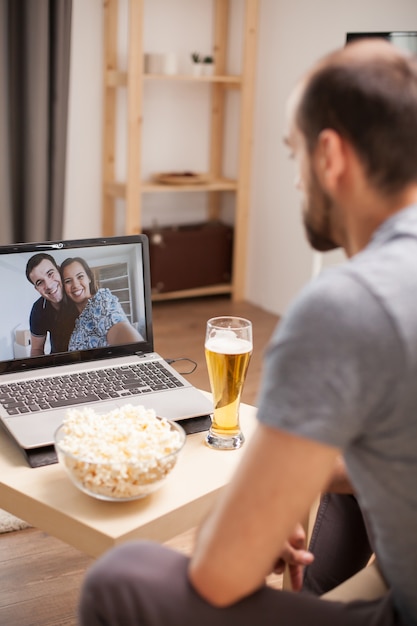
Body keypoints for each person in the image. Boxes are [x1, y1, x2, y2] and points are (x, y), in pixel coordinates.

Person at [78, 39, 417, 626]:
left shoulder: (348, 304)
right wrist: (275, 493)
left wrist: (240, 522)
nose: (295, 181)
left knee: (120, 577)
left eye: (294, 155)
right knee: (346, 446)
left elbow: (219, 574)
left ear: (329, 156)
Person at [60, 257, 142, 350]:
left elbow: (119, 330)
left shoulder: (101, 300)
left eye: (80, 276)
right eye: (68, 281)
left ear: (89, 278)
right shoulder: (73, 320)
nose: (75, 285)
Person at [25, 253, 78, 355]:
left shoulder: (78, 294)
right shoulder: (38, 309)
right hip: (58, 361)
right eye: (40, 282)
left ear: (59, 270)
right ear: (36, 289)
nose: (48, 285)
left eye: (50, 274)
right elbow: (37, 349)